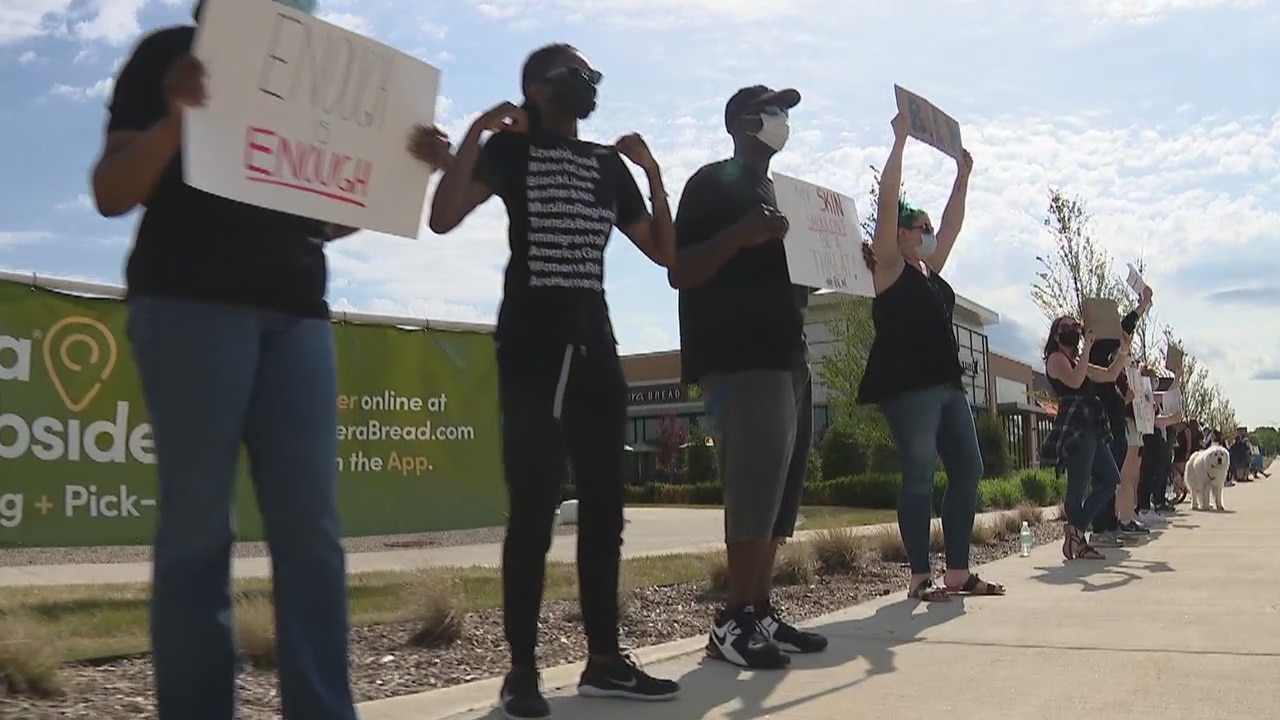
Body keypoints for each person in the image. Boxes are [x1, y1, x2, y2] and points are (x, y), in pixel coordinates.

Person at [90, 2, 450, 718]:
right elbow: (111, 191)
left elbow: (326, 214)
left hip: (298, 315)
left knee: (312, 528)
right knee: (198, 526)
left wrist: (405, 170)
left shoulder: (314, 73)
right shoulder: (169, 51)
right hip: (188, 304)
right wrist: (177, 115)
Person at [427, 43, 680, 718]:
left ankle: (604, 661)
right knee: (534, 510)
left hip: (598, 346)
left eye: (593, 72)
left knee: (605, 511)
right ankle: (521, 673)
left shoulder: (605, 164)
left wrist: (652, 173)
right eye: (574, 72)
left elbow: (664, 253)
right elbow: (442, 216)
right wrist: (479, 130)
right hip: (534, 348)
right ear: (537, 88)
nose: (588, 80)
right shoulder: (509, 153)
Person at [667, 84, 828, 670]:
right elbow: (680, 269)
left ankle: (759, 609)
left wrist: (839, 261)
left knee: (780, 497)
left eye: (784, 113)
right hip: (740, 358)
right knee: (754, 489)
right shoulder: (712, 184)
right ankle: (731, 622)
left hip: (788, 357)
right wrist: (741, 234)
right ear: (741, 121)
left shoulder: (784, 195)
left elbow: (796, 276)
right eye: (772, 111)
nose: (781, 121)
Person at [857, 130, 1004, 601]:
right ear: (899, 234)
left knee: (969, 469)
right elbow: (886, 200)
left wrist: (963, 176)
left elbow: (952, 224)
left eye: (926, 227)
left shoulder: (928, 269)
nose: (928, 233)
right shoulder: (888, 266)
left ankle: (958, 572)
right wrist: (899, 140)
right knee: (919, 474)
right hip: (908, 385)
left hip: (947, 383)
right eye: (919, 227)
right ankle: (920, 577)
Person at [1042, 319, 1128, 560]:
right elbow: (1076, 381)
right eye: (1065, 330)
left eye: (1073, 329)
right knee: (1077, 487)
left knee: (1110, 479)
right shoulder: (1056, 360)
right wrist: (1088, 349)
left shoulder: (1076, 360)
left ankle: (1075, 533)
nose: (1071, 334)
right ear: (1056, 336)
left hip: (1092, 423)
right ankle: (1076, 539)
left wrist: (1123, 350)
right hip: (1075, 425)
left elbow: (1110, 375)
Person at [1089, 289, 1152, 544]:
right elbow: (1124, 329)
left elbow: (1123, 333)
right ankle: (1101, 527)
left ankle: (1110, 522)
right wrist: (1141, 307)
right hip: (1105, 425)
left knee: (1112, 476)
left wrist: (1142, 306)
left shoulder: (1107, 359)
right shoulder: (1096, 353)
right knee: (1106, 477)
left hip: (1113, 424)